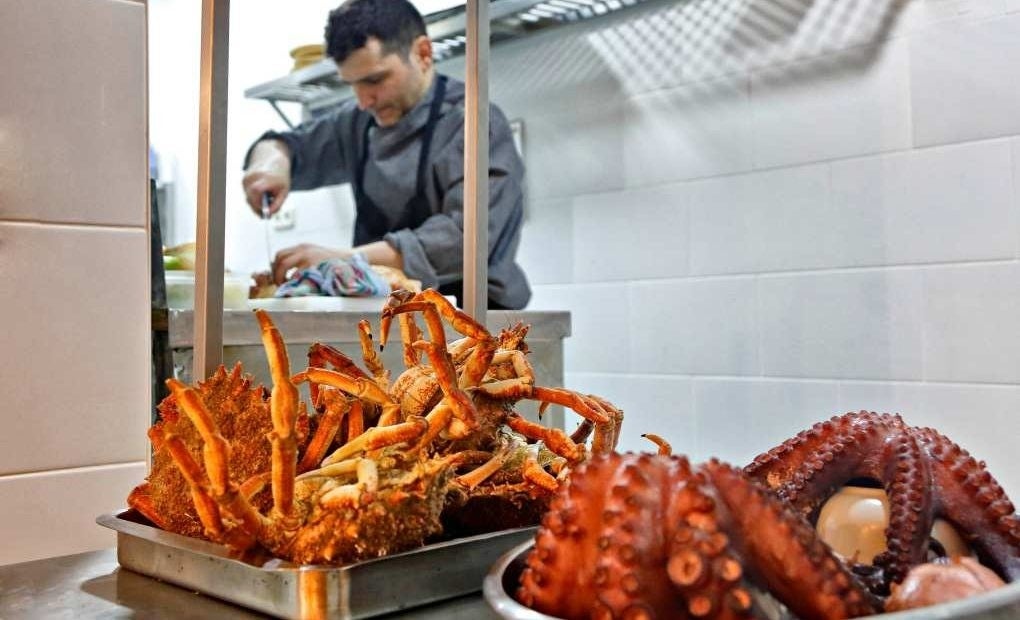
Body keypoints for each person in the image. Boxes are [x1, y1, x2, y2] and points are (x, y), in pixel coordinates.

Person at [242, 0, 531, 309]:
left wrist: (346, 260)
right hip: (384, 318)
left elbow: (465, 240)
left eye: (375, 80)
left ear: (422, 53)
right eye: (352, 84)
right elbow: (289, 145)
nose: (364, 100)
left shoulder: (471, 123)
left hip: (472, 322)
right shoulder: (357, 123)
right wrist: (271, 162)